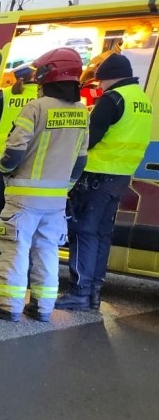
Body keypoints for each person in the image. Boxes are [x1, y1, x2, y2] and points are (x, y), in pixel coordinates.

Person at [0, 47, 89, 324]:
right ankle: (41, 307)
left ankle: (7, 305)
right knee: (47, 251)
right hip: (55, 201)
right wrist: (65, 187)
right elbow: (80, 160)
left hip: (24, 198)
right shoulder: (81, 112)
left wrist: (3, 170)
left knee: (15, 249)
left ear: (50, 75)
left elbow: (14, 150)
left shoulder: (35, 108)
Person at [55, 52, 154, 311]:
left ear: (110, 78)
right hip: (120, 178)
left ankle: (79, 292)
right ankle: (93, 293)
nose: (99, 86)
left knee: (83, 232)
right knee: (101, 234)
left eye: (101, 81)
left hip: (96, 175)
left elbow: (89, 139)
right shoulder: (141, 100)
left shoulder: (113, 99)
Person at [0, 66, 39, 261]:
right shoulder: (41, 97)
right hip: (29, 158)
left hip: (0, 155)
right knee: (21, 205)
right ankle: (13, 248)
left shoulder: (4, 95)